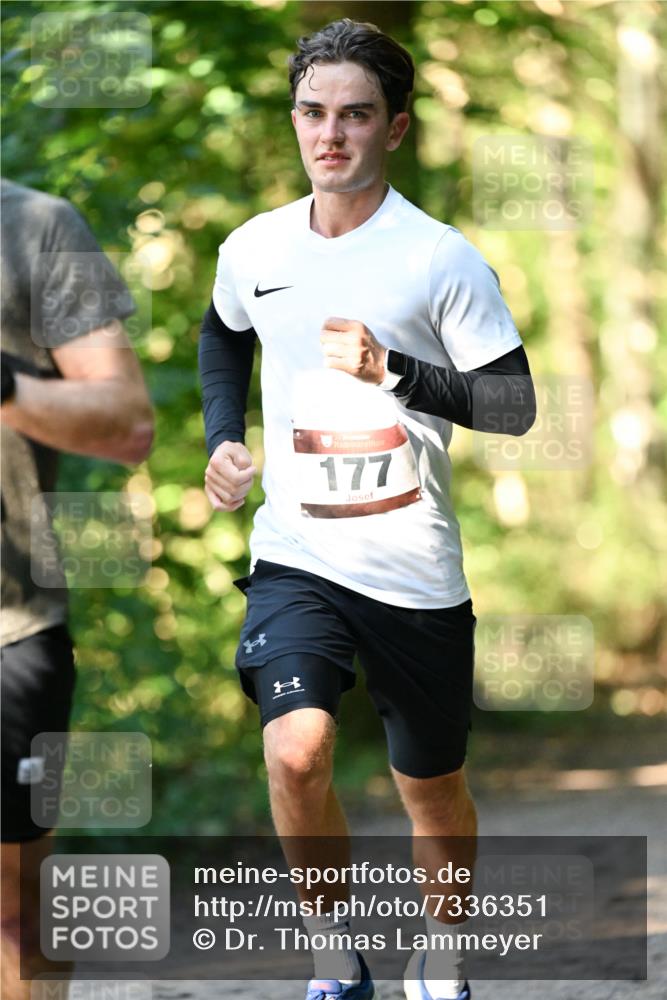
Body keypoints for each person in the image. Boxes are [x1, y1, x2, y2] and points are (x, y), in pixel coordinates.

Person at [199, 19, 535, 1000]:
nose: (329, 133)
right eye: (312, 112)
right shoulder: (253, 246)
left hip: (413, 568)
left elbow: (513, 404)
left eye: (354, 114)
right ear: (293, 120)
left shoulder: (440, 260)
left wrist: (395, 370)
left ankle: (442, 956)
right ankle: (334, 959)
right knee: (296, 748)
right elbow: (225, 336)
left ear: (395, 127)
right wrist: (224, 438)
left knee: (431, 788)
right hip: (295, 554)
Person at [0, 178, 154, 1000]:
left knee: (16, 910)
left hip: (9, 628)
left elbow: (127, 422)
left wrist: (5, 385)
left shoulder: (33, 225)